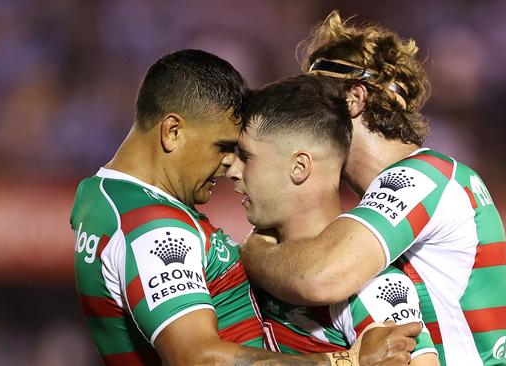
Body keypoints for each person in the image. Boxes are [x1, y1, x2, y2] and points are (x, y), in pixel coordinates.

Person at [70, 49, 421, 366]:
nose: (229, 166)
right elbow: (198, 359)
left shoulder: (102, 198)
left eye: (242, 154)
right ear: (172, 131)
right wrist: (341, 363)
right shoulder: (152, 225)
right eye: (223, 147)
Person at [240, 11, 506, 366]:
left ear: (354, 99)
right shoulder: (424, 181)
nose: (302, 117)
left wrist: (253, 251)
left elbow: (321, 277)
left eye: (315, 99)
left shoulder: (423, 177)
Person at [226, 74, 439, 366]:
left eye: (246, 157)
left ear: (299, 166)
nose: (232, 170)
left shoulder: (370, 288)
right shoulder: (244, 260)